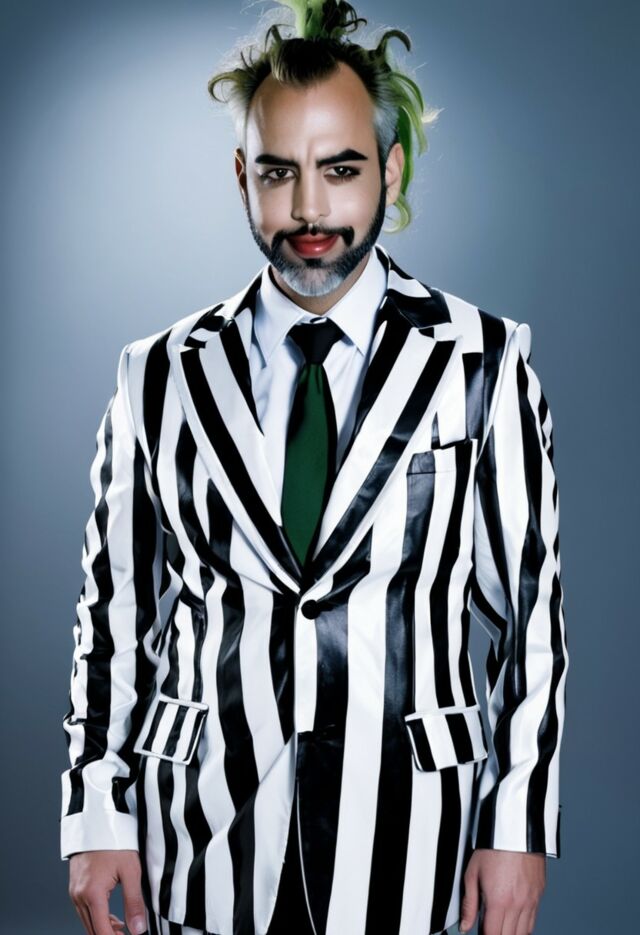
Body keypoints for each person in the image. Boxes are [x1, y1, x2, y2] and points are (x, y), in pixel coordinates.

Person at [60, 2, 569, 934]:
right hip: (205, 831)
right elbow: (116, 617)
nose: (308, 210)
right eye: (277, 172)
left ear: (391, 169)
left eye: (340, 169)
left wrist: (518, 821)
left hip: (414, 829)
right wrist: (96, 813)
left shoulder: (484, 362)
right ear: (241, 177)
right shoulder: (159, 374)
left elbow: (531, 618)